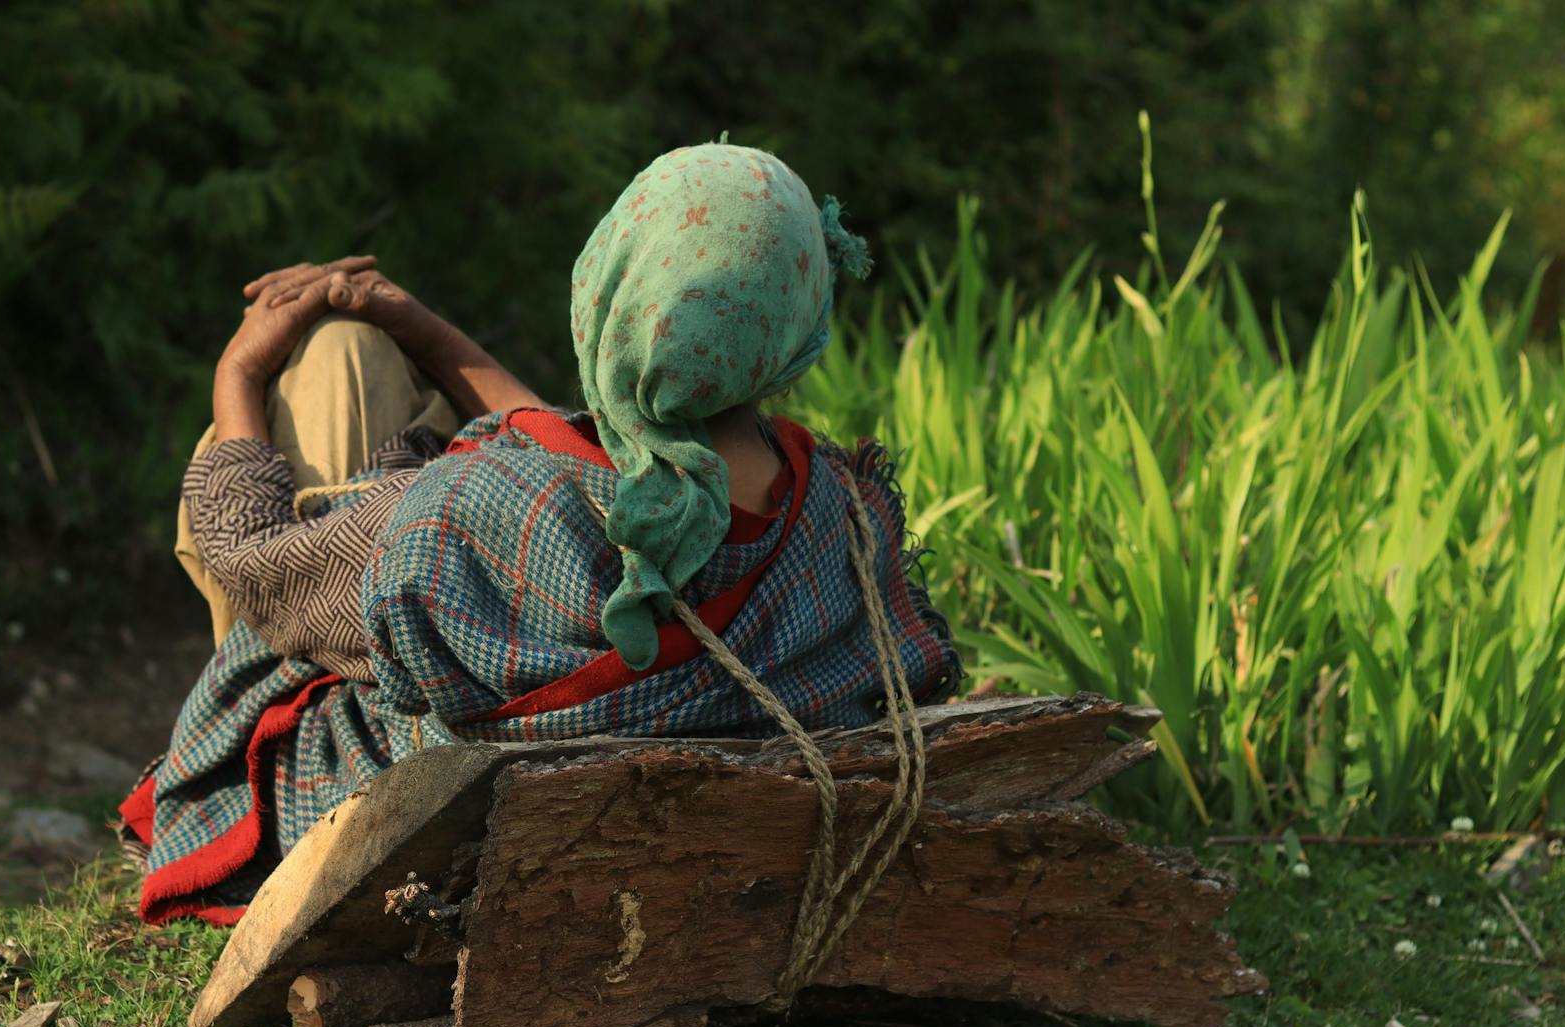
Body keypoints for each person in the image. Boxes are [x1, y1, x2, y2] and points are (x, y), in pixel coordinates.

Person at [119, 143, 962, 924]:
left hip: (423, 814)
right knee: (364, 348)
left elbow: (256, 561)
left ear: (606, 296)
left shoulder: (472, 513)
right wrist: (418, 327)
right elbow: (571, 454)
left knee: (315, 381)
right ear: (796, 323)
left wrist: (241, 372)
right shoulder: (838, 516)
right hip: (678, 804)